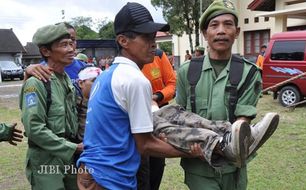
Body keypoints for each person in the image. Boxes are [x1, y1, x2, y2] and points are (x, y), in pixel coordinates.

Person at [76, 2, 201, 190]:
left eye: (153, 37)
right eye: (145, 37)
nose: (153, 43)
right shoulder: (135, 80)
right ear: (123, 41)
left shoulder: (107, 75)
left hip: (92, 171)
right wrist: (191, 152)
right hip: (111, 179)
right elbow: (145, 145)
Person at [175, 0, 277, 189]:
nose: (221, 30)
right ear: (205, 33)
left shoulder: (249, 72)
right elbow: (179, 116)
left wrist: (234, 139)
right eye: (214, 25)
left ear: (237, 32)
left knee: (238, 133)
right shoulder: (187, 71)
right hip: (198, 168)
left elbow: (242, 120)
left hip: (234, 168)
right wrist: (193, 142)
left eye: (228, 24)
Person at [19, 23, 83, 190]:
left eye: (71, 43)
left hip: (68, 157)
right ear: (46, 51)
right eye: (63, 45)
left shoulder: (66, 79)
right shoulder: (37, 82)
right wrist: (72, 148)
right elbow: (34, 128)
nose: (71, 49)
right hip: (46, 160)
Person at [139, 49, 176, 190]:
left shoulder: (158, 55)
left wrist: (156, 97)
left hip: (158, 115)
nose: (152, 42)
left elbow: (172, 85)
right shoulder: (126, 64)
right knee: (141, 169)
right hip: (137, 118)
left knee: (157, 164)